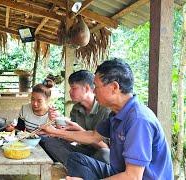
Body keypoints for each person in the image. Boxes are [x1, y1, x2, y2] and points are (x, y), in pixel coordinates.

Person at [41, 59, 173, 180]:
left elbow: (133, 177)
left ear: (114, 87)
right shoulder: (117, 113)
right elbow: (93, 136)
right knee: (76, 159)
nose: (93, 92)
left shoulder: (139, 120)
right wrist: (53, 131)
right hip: (118, 172)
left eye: (96, 87)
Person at [42, 70, 111, 164]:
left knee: (105, 153)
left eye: (73, 88)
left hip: (101, 156)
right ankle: (80, 167)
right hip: (84, 153)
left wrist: (80, 131)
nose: (70, 91)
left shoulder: (105, 110)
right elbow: (71, 138)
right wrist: (59, 127)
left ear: (86, 88)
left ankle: (79, 168)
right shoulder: (76, 108)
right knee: (49, 142)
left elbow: (105, 148)